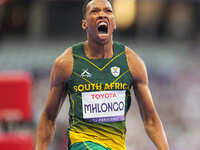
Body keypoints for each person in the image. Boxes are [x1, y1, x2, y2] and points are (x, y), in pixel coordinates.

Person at [35, 0, 169, 150]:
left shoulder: (132, 63)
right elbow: (48, 117)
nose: (102, 15)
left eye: (108, 11)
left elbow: (150, 120)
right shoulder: (66, 63)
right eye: (95, 11)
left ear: (114, 23)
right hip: (82, 143)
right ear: (84, 24)